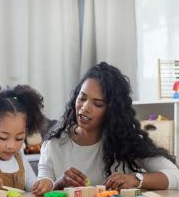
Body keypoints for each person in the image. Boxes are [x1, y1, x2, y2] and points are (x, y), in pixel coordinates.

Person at [38, 62, 179, 190]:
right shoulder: (54, 143)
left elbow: (175, 176)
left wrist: (136, 179)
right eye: (82, 98)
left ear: (112, 110)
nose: (85, 107)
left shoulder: (126, 141)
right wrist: (59, 184)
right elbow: (41, 187)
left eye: (98, 104)